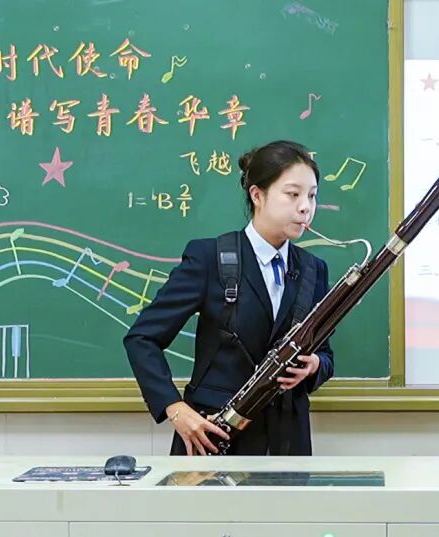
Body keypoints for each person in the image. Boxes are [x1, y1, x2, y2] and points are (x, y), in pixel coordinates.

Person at [123, 140, 334, 456]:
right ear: (257, 195)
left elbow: (325, 353)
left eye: (312, 195)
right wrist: (175, 408)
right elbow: (141, 338)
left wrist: (315, 365)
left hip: (288, 443)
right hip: (213, 438)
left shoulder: (313, 269)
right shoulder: (209, 258)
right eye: (293, 194)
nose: (305, 206)